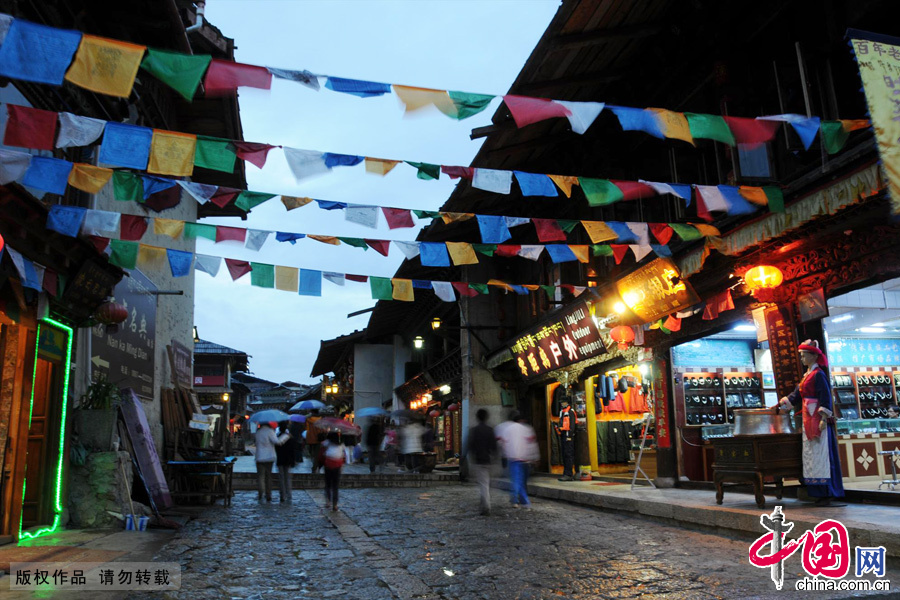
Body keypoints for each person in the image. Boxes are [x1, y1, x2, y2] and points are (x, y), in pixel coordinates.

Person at [778, 339, 845, 507]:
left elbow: (825, 398)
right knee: (812, 455)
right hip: (808, 420)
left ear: (813, 356)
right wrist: (785, 402)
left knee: (822, 455)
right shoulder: (807, 375)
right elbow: (797, 394)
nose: (801, 359)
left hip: (818, 420)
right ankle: (816, 491)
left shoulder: (819, 375)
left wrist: (824, 418)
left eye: (803, 355)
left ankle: (828, 492)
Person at [499, 411, 540, 508]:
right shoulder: (527, 429)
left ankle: (515, 500)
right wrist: (535, 458)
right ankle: (524, 501)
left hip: (513, 459)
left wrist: (505, 455)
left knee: (516, 480)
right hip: (525, 459)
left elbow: (503, 444)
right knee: (522, 481)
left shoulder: (507, 429)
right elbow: (532, 444)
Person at [466, 409, 498, 515]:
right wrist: (495, 457)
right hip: (488, 460)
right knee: (485, 483)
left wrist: (465, 457)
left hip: (479, 460)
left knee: (483, 484)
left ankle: (486, 506)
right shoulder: (490, 430)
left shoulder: (474, 430)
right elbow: (494, 446)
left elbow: (469, 445)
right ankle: (483, 503)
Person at [254, 422, 290, 504]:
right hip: (269, 457)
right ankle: (268, 494)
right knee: (268, 476)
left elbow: (256, 442)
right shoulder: (270, 431)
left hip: (259, 456)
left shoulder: (258, 432)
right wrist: (286, 436)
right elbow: (277, 442)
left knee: (260, 477)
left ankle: (260, 493)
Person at [317, 431, 345, 511]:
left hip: (328, 465)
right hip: (337, 466)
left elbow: (321, 453)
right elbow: (343, 455)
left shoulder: (326, 443)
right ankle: (335, 504)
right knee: (335, 486)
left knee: (328, 485)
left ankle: (328, 501)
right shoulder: (341, 444)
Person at [275, 422, 299, 504]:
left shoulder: (278, 437)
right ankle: (289, 494)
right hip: (288, 460)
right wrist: (293, 460)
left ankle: (282, 495)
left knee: (281, 478)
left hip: (280, 460)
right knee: (288, 478)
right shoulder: (290, 438)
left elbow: (276, 449)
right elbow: (292, 450)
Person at [554, 398, 577, 481]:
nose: (562, 404)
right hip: (564, 435)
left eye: (563, 402)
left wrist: (569, 436)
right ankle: (566, 473)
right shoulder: (563, 412)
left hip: (568, 436)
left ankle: (568, 474)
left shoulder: (570, 412)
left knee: (568, 454)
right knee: (564, 454)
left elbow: (572, 426)